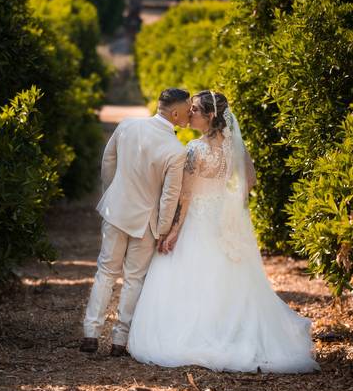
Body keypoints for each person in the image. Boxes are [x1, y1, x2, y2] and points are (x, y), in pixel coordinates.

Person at [128, 90, 319, 373]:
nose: (190, 113)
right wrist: (232, 206)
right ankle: (229, 331)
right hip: (221, 218)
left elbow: (185, 196)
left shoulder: (195, 149)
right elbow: (250, 179)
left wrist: (173, 231)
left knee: (193, 275)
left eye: (195, 109)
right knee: (226, 279)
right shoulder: (233, 148)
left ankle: (199, 334)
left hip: (196, 219)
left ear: (210, 116)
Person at [81, 88, 191, 356]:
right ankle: (120, 339)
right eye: (188, 110)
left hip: (117, 211)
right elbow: (169, 196)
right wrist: (164, 229)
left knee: (105, 273)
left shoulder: (128, 125)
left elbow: (108, 160)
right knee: (134, 280)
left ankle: (90, 332)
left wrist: (113, 193)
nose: (190, 115)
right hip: (146, 222)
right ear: (175, 113)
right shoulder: (176, 150)